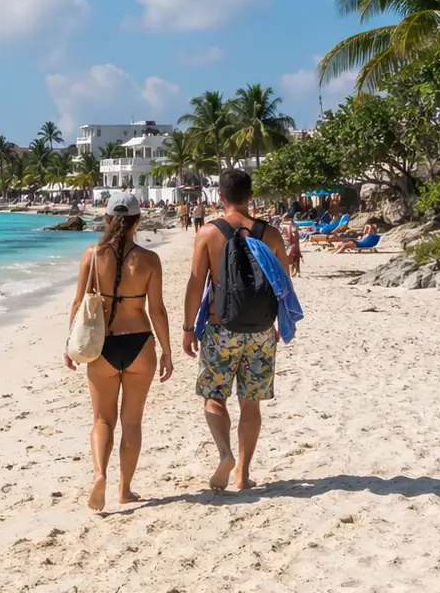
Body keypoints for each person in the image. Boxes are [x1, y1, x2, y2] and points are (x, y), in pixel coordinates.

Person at [181, 168, 292, 492]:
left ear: (221, 197)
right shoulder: (269, 234)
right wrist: (279, 326)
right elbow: (283, 282)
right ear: (250, 196)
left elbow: (195, 282)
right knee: (250, 403)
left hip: (220, 328)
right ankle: (243, 474)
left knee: (214, 397)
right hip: (260, 330)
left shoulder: (208, 233)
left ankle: (225, 454)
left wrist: (189, 328)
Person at [65, 192, 172, 511]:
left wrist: (69, 344)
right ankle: (125, 489)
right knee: (133, 421)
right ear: (137, 221)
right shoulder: (150, 260)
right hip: (140, 343)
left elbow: (77, 303)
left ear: (108, 219)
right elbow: (158, 310)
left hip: (102, 346)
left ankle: (100, 475)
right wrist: (166, 350)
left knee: (102, 419)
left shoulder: (92, 255)